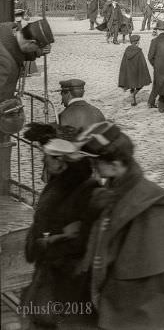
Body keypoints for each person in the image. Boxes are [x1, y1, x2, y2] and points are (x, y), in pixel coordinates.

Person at [77, 123, 164, 329]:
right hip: (126, 303)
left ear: (115, 165)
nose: (93, 167)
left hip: (147, 306)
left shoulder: (144, 204)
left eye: (96, 163)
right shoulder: (114, 189)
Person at [21, 136, 99, 329]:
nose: (45, 162)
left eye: (50, 157)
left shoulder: (85, 189)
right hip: (51, 271)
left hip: (69, 277)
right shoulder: (58, 183)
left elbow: (83, 238)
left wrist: (49, 243)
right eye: (48, 157)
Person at [1, 18, 54, 195]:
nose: (36, 52)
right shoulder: (6, 65)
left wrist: (34, 53)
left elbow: (16, 47)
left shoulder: (6, 30)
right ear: (31, 42)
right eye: (36, 48)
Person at [117, 35, 151, 106]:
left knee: (132, 85)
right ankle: (134, 95)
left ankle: (133, 101)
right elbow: (142, 62)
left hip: (129, 71)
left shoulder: (127, 50)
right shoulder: (138, 51)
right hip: (137, 71)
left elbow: (124, 62)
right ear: (137, 42)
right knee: (141, 84)